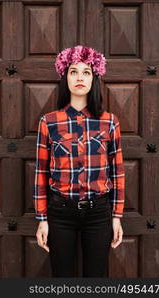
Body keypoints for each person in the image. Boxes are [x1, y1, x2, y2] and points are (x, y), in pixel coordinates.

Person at [33, 45, 125, 277]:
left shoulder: (109, 122)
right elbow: (41, 173)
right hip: (60, 212)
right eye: (73, 72)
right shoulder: (49, 122)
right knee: (62, 277)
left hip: (98, 213)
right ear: (65, 77)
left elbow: (118, 172)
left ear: (95, 78)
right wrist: (42, 219)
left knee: (97, 277)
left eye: (86, 72)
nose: (80, 78)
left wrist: (116, 217)